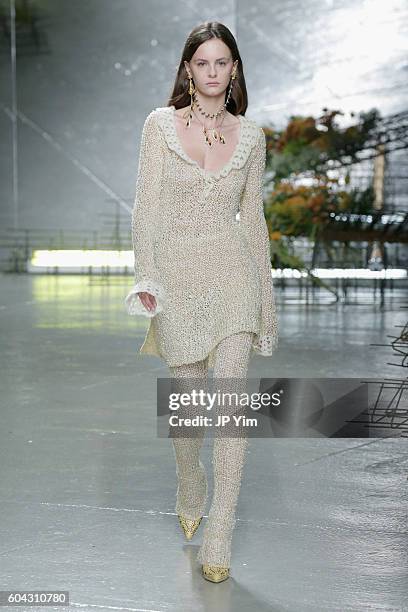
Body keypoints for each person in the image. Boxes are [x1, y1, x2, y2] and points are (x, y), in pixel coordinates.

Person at [124, 21, 279, 583]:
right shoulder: (160, 127)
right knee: (190, 410)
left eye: (222, 63)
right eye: (202, 63)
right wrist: (149, 276)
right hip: (179, 281)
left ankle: (220, 533)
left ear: (234, 69)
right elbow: (147, 208)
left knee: (231, 410)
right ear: (188, 69)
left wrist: (264, 296)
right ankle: (189, 481)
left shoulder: (253, 135)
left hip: (233, 277)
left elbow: (253, 218)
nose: (212, 73)